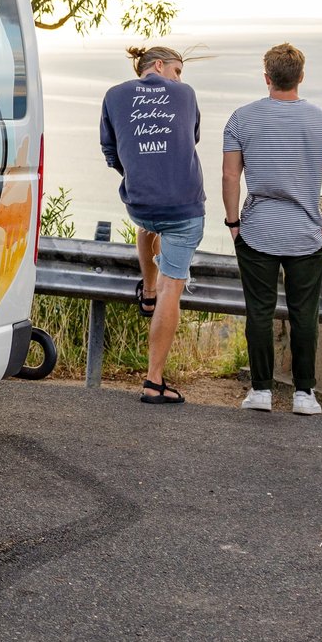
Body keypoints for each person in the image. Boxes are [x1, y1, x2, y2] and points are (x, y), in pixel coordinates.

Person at [222, 44, 322, 416]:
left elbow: (230, 175)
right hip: (306, 233)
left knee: (259, 311)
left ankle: (260, 391)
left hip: (257, 231)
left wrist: (233, 224)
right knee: (304, 313)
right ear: (301, 77)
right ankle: (304, 394)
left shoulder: (241, 119)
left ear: (267, 78)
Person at [100, 45, 205, 404]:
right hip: (184, 207)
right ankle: (153, 380)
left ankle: (147, 291)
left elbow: (110, 150)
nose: (179, 79)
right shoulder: (185, 94)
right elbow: (190, 139)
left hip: (141, 204)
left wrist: (137, 173)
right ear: (159, 66)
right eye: (177, 71)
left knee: (146, 226)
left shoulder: (113, 96)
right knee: (171, 288)